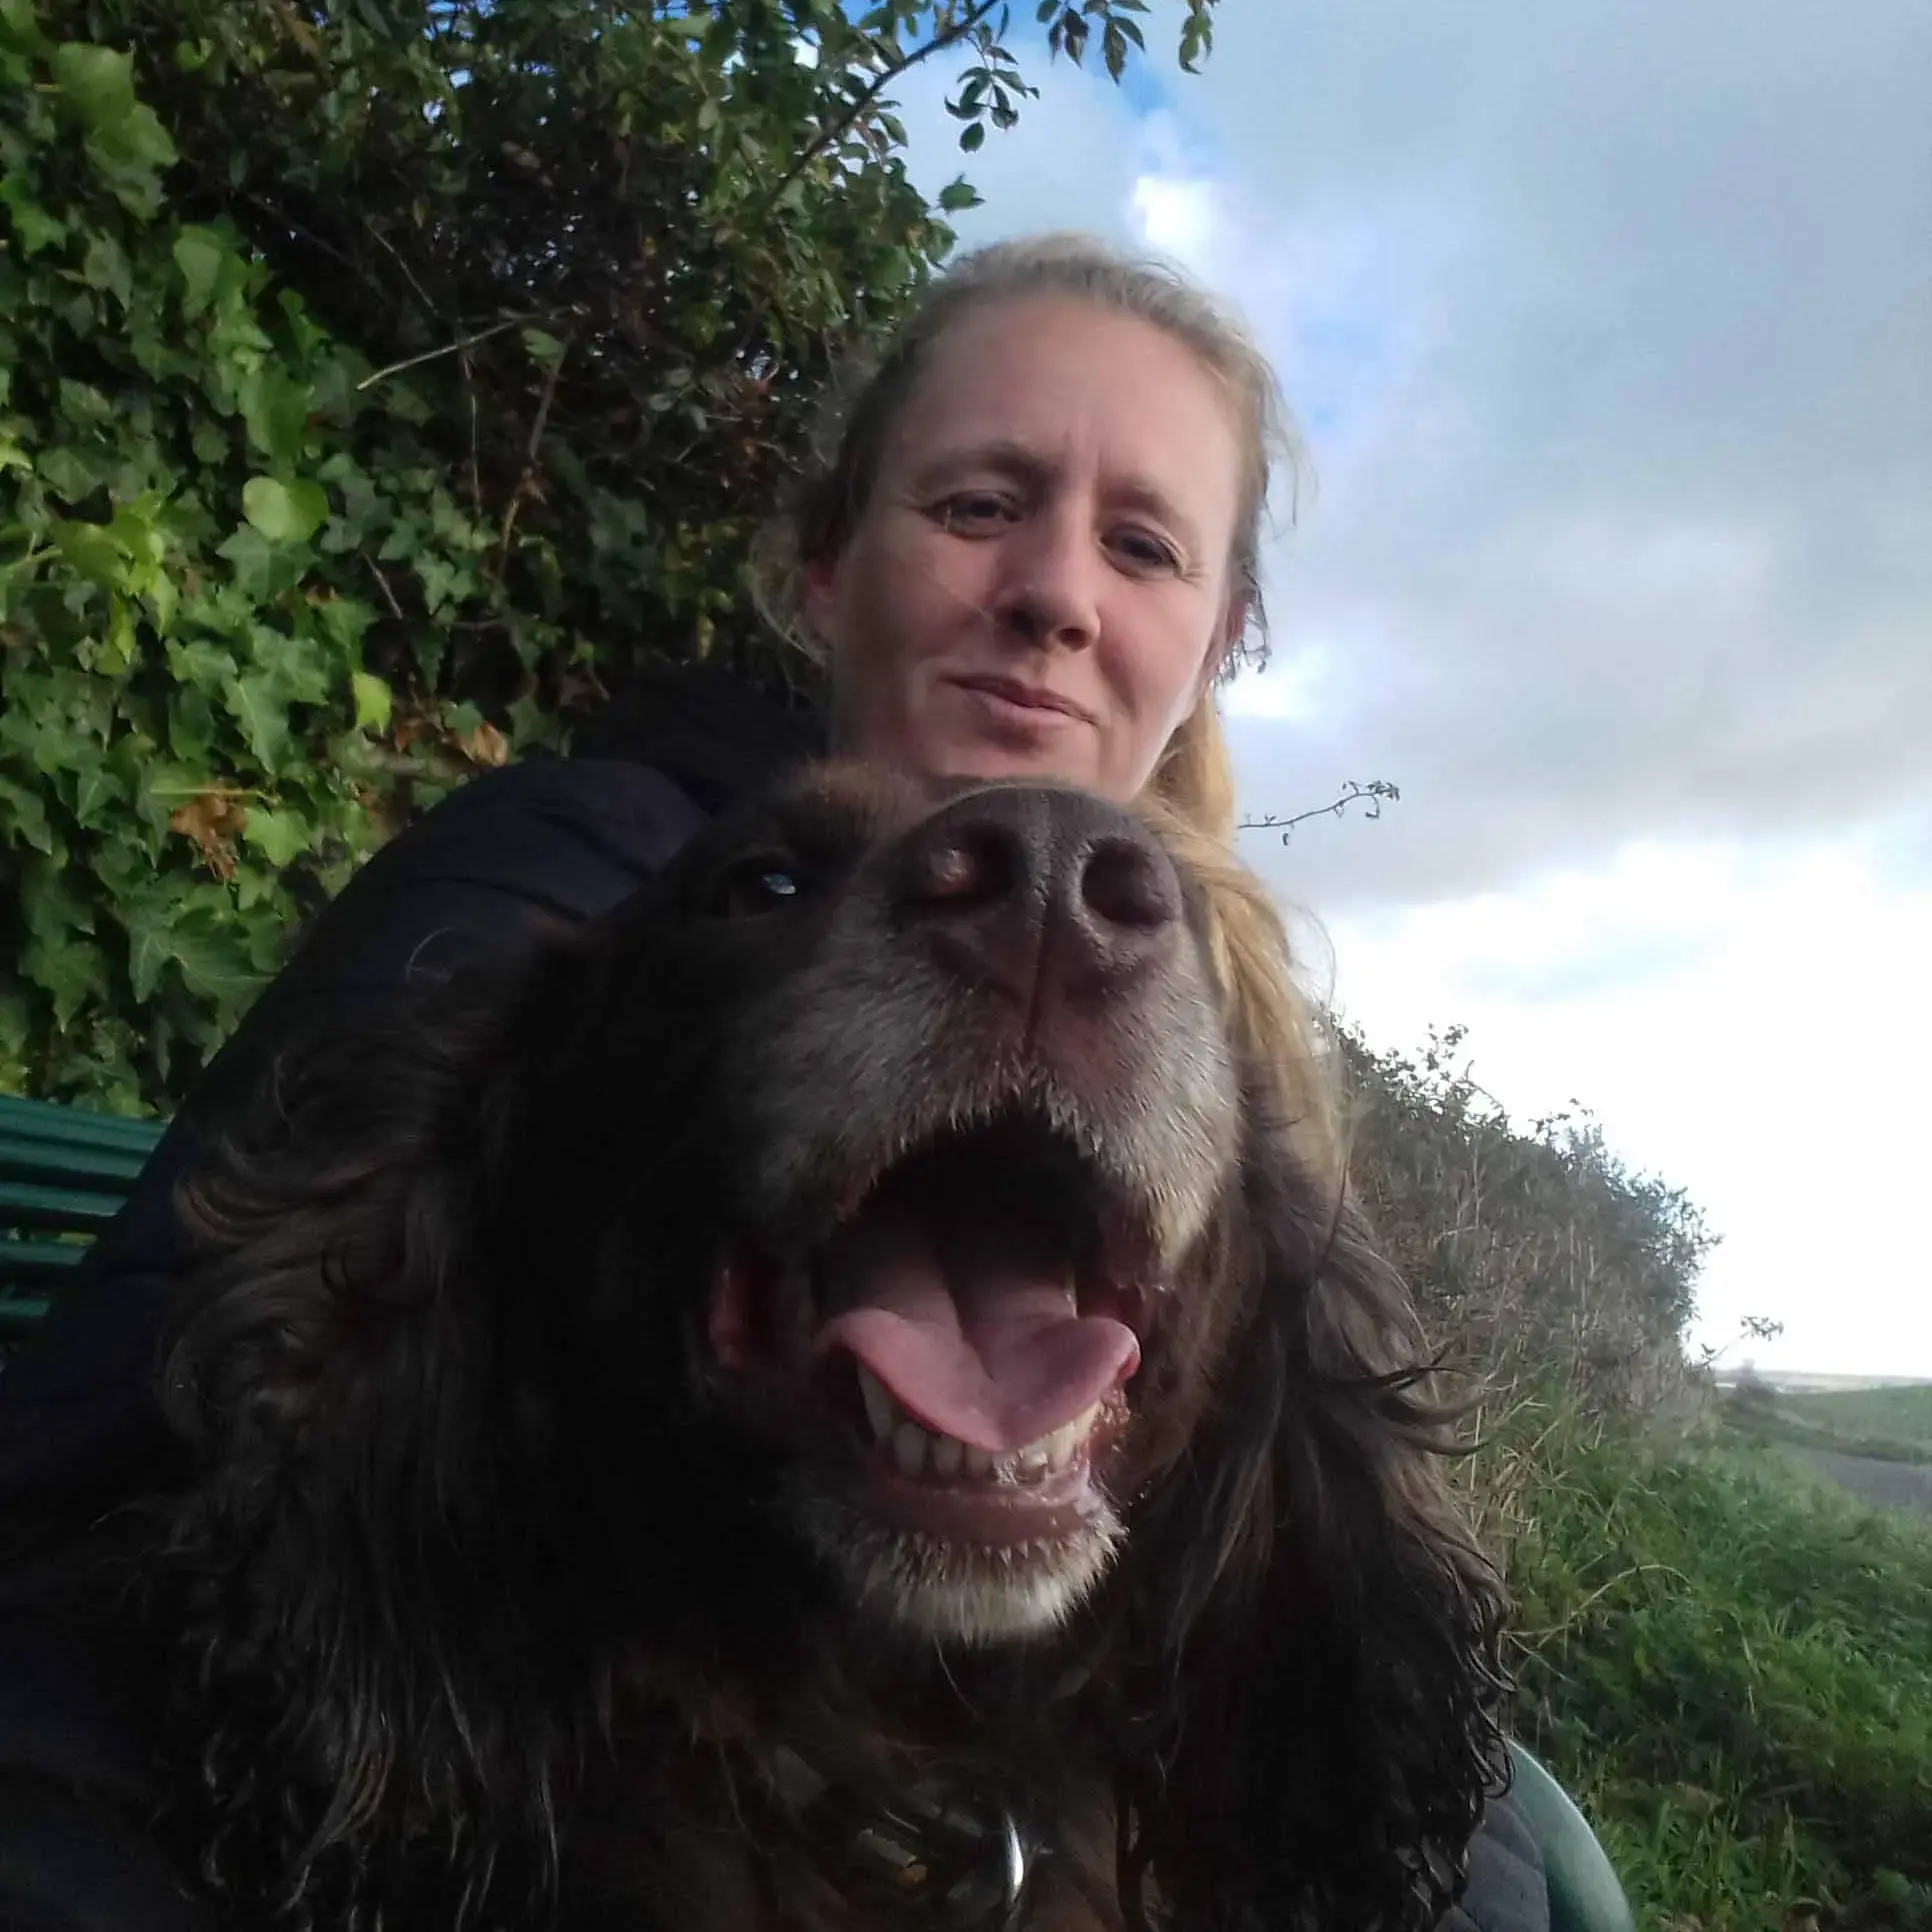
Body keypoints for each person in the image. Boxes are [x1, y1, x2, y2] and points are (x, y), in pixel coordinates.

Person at [0, 233, 1547, 1931]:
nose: (1054, 593)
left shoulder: (1240, 1049)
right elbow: (150, 1507)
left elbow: (1363, 1653)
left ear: (1218, 637)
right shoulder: (574, 862)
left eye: (1143, 544)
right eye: (977, 505)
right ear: (825, 563)